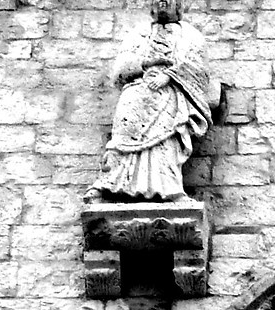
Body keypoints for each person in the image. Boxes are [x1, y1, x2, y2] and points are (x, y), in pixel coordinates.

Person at [93, 0, 218, 203]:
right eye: (158, 0)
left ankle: (170, 189)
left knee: (166, 145)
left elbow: (200, 72)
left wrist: (170, 76)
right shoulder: (138, 34)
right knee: (123, 138)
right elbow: (119, 72)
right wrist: (145, 64)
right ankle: (107, 185)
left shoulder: (191, 37)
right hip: (136, 94)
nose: (162, 3)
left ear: (178, 5)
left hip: (171, 97)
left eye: (168, 0)